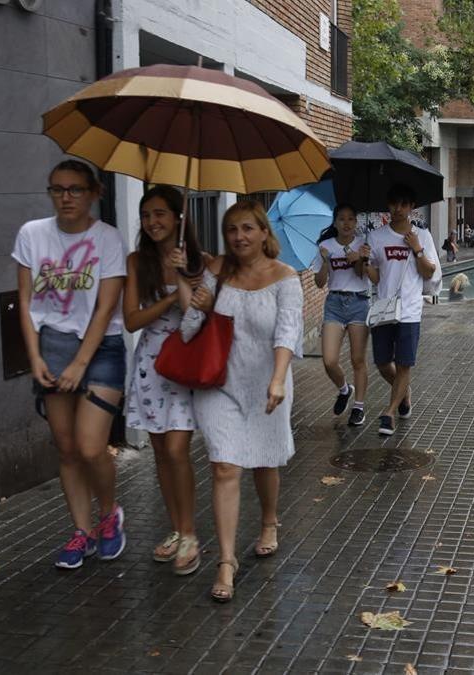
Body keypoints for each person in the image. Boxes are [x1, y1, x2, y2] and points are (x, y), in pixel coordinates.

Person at [177, 200, 303, 602]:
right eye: (231, 229)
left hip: (269, 382)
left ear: (264, 232)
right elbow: (187, 331)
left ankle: (269, 520)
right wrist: (197, 304)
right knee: (225, 466)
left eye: (248, 228)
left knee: (264, 461)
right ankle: (227, 562)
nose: (239, 237)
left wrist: (279, 378)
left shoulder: (286, 277)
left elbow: (287, 332)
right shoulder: (217, 271)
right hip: (220, 384)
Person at [13, 159, 128, 569]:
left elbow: (106, 306)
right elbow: (25, 302)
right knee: (66, 450)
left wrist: (81, 362)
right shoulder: (32, 234)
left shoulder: (108, 239)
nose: (65, 197)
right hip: (51, 345)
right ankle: (81, 531)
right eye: (57, 188)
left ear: (94, 192)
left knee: (91, 446)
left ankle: (109, 514)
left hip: (102, 347)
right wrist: (35, 357)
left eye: (75, 189)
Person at [123, 186, 207, 575]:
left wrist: (184, 280)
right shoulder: (137, 262)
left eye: (160, 214)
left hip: (186, 364)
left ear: (177, 218)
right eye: (146, 215)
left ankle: (189, 534)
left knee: (176, 450)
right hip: (150, 366)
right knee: (159, 452)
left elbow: (197, 320)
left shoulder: (198, 262)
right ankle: (176, 529)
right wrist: (167, 299)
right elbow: (131, 320)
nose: (152, 222)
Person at [363, 184, 440, 436]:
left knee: (404, 364)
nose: (398, 209)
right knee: (384, 363)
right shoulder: (376, 237)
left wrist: (416, 248)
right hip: (384, 309)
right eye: (394, 203)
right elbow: (375, 278)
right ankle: (404, 392)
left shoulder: (422, 236)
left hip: (409, 310)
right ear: (388, 205)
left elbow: (429, 272)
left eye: (404, 204)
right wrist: (365, 262)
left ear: (411, 207)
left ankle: (389, 412)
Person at [311, 204, 370, 427]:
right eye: (342, 219)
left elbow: (363, 275)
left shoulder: (363, 244)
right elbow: (319, 283)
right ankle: (344, 390)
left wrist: (357, 258)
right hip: (334, 303)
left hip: (358, 302)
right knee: (329, 360)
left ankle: (359, 406)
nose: (346, 223)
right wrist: (326, 261)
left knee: (357, 359)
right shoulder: (325, 246)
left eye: (351, 219)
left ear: (356, 222)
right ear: (335, 222)